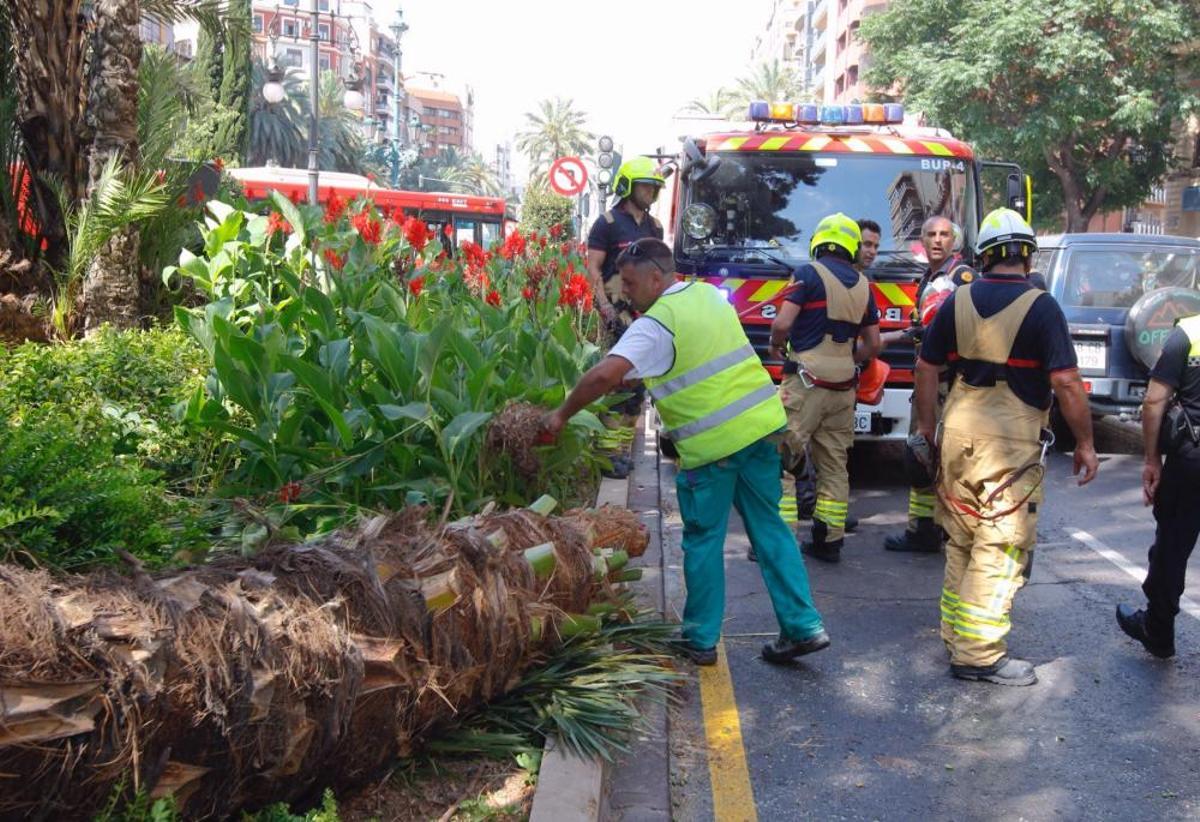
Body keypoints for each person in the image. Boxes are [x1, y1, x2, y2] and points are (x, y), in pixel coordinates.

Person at [541, 238, 830, 666]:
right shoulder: (709, 296)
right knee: (771, 529)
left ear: (657, 277)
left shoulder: (656, 323)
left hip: (713, 448)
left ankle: (699, 638)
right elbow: (697, 357)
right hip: (762, 431)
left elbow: (605, 375)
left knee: (704, 540)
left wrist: (560, 416)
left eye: (632, 282)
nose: (626, 293)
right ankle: (803, 626)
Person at [916, 208, 1098, 686]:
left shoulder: (956, 301)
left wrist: (926, 430)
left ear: (985, 255)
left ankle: (956, 634)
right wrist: (1085, 442)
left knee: (961, 538)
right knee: (1000, 545)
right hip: (1010, 439)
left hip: (958, 430)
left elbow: (927, 367)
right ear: (1027, 253)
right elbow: (1066, 382)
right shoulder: (1042, 307)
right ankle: (977, 654)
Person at [768, 213, 882, 563]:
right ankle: (829, 540)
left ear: (818, 241)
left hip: (805, 381)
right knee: (834, 463)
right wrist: (848, 359)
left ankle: (780, 542)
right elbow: (873, 344)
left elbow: (783, 322)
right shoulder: (864, 286)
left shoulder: (807, 274)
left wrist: (776, 345)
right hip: (843, 386)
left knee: (780, 457)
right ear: (850, 246)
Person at [883, 216, 976, 553]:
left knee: (947, 459)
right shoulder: (930, 278)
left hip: (947, 384)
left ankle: (948, 531)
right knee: (920, 457)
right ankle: (924, 529)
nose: (938, 240)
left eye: (945, 235)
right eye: (931, 234)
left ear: (955, 240)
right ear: (921, 240)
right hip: (927, 380)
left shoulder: (960, 277)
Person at [1116, 312, 1200, 659]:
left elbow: (1154, 401)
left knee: (1172, 549)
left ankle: (1158, 629)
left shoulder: (1189, 333)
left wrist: (1152, 459)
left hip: (1192, 460)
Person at [586, 157, 665, 333]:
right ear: (626, 186)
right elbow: (592, 268)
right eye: (645, 185)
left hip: (645, 316)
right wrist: (606, 308)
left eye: (655, 187)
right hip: (613, 315)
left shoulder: (656, 227)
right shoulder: (606, 223)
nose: (651, 191)